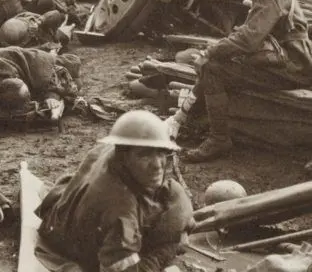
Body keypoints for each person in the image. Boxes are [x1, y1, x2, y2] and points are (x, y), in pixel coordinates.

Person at [164, 0, 312, 162]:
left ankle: (218, 139)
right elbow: (251, 35)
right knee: (213, 65)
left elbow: (248, 40)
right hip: (283, 61)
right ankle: (182, 120)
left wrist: (210, 52)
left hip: (295, 68)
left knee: (212, 68)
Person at [35, 110, 194, 272]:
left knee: (176, 200)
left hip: (70, 209)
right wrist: (167, 250)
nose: (157, 165)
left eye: (161, 153)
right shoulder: (120, 210)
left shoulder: (114, 150)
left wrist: (177, 221)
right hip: (70, 240)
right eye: (145, 156)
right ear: (124, 157)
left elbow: (171, 192)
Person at [0, 46, 80, 115]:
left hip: (25, 58)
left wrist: (51, 96)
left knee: (73, 69)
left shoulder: (39, 72)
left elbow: (57, 79)